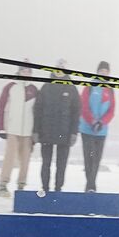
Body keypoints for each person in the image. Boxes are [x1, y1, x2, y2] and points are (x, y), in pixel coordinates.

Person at [33, 61, 80, 192]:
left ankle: (58, 188)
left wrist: (74, 132)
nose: (59, 72)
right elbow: (38, 110)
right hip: (46, 132)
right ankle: (45, 187)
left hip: (64, 133)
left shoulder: (71, 88)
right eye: (57, 69)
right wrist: (36, 130)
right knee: (46, 163)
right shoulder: (46, 87)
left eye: (62, 69)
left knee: (61, 164)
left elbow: (76, 112)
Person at [0, 64, 37, 197]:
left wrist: (36, 132)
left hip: (28, 131)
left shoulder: (34, 89)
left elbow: (37, 111)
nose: (26, 73)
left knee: (25, 159)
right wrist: (1, 127)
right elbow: (1, 107)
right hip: (12, 129)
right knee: (10, 158)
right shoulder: (10, 87)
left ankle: (21, 185)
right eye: (23, 70)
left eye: (28, 71)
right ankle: (3, 185)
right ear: (19, 72)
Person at [79, 60, 116, 193]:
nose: (104, 73)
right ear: (97, 72)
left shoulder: (110, 90)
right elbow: (83, 106)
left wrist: (102, 122)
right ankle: (90, 185)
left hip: (101, 131)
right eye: (101, 71)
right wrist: (93, 121)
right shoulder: (89, 87)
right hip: (87, 129)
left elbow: (111, 110)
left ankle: (91, 185)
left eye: (106, 72)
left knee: (96, 159)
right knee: (89, 158)